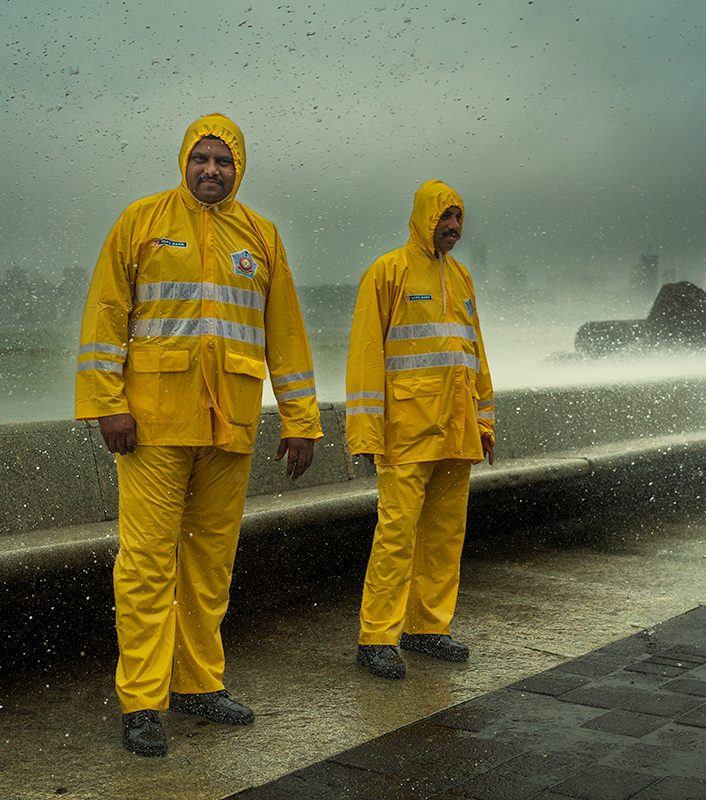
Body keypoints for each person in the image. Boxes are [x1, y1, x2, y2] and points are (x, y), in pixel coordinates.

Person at [75, 113, 323, 756]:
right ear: (184, 161)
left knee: (210, 565)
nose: (211, 170)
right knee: (148, 565)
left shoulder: (261, 237)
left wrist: (299, 422)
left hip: (230, 425)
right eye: (201, 159)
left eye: (224, 161)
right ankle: (142, 701)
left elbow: (286, 336)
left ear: (239, 168)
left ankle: (198, 684)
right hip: (152, 425)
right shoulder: (142, 222)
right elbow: (106, 314)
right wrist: (107, 404)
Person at [345, 179, 495, 680]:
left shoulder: (464, 277)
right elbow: (366, 356)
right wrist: (366, 432)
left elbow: (475, 355)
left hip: (457, 431)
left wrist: (484, 420)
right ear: (424, 218)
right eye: (444, 218)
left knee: (445, 534)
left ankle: (428, 627)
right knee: (396, 535)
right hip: (406, 432)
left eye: (458, 220)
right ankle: (377, 637)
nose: (452, 228)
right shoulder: (387, 272)